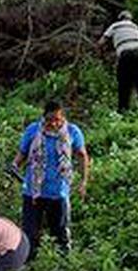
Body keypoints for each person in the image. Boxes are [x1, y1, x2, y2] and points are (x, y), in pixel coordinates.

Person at [11, 100, 90, 261]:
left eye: (57, 120)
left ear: (63, 118)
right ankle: (29, 266)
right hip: (33, 191)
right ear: (43, 117)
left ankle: (63, 266)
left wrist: (83, 181)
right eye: (49, 120)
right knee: (30, 233)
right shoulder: (33, 130)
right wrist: (14, 165)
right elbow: (23, 153)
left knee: (60, 232)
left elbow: (82, 156)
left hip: (58, 192)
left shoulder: (73, 132)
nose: (53, 124)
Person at [100, 11, 138, 113]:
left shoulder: (115, 26)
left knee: (124, 82)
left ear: (120, 18)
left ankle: (123, 109)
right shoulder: (135, 26)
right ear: (130, 19)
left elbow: (102, 42)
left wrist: (101, 53)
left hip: (126, 53)